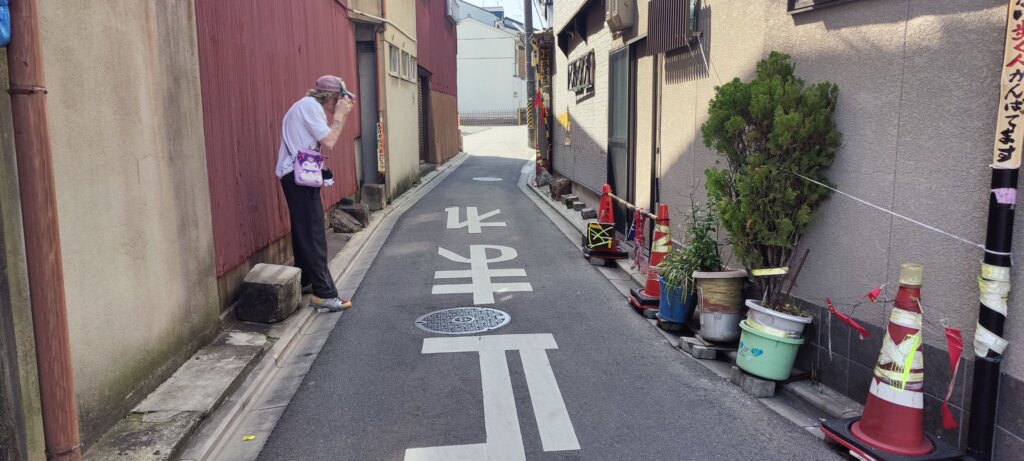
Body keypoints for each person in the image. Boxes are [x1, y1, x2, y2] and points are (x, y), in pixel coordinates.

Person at [276, 75, 356, 311]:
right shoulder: (310, 107)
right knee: (313, 234)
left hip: (298, 176)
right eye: (338, 100)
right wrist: (341, 116)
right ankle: (325, 293)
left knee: (305, 231)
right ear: (331, 97)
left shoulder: (308, 107)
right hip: (297, 178)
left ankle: (308, 281)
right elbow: (329, 141)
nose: (337, 107)